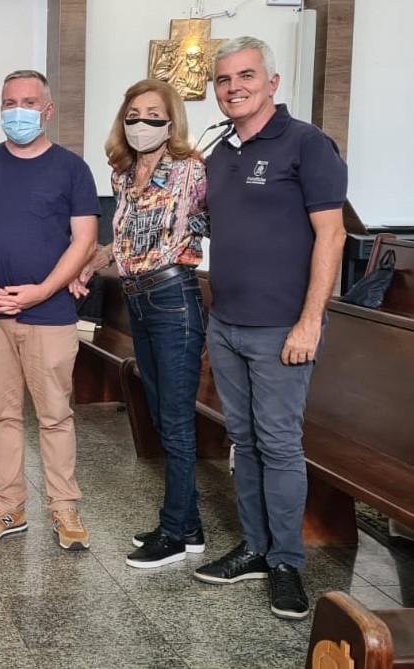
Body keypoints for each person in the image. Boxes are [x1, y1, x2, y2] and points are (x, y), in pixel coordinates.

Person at [192, 37, 347, 620]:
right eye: (224, 79)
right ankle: (255, 549)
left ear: (273, 83)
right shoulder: (219, 154)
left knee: (279, 445)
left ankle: (286, 563)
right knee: (245, 441)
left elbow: (331, 235)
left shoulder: (307, 144)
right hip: (226, 324)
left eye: (246, 76)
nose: (234, 87)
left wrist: (310, 321)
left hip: (283, 327)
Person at [0, 69, 99, 550]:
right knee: (2, 413)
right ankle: (9, 506)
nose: (18, 111)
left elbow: (84, 240)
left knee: (54, 414)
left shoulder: (72, 169)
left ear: (47, 111)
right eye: (9, 102)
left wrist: (43, 290)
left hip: (49, 314)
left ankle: (65, 509)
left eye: (29, 102)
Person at [81, 78, 209, 568]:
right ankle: (189, 526)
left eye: (153, 115)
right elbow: (128, 243)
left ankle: (174, 533)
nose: (141, 124)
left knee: (175, 419)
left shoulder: (192, 170)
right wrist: (94, 262)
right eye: (133, 115)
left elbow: (218, 222)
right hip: (137, 298)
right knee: (159, 413)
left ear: (171, 121)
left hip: (174, 297)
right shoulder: (123, 174)